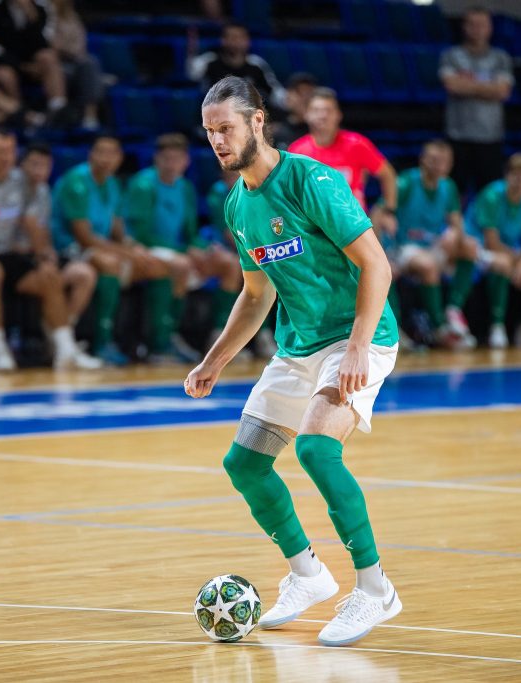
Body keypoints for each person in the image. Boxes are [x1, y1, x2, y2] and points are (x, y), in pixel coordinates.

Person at [186, 76, 402, 646]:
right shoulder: (237, 205)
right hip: (300, 344)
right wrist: (215, 360)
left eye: (225, 128)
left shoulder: (312, 180)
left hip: (360, 334)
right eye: (209, 133)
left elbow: (377, 265)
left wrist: (357, 346)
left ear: (257, 121)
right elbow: (257, 295)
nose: (217, 142)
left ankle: (376, 589)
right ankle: (307, 574)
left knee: (315, 448)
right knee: (245, 465)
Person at [0, 128, 100, 370]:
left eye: (9, 151)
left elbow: (30, 224)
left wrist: (43, 257)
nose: (4, 157)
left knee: (50, 276)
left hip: (8, 253)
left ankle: (65, 349)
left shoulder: (23, 182)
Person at [51, 135, 176, 365]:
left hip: (101, 248)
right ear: (91, 155)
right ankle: (101, 342)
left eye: (113, 153)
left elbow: (118, 231)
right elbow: (84, 238)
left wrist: (135, 249)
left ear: (119, 158)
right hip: (67, 249)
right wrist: (126, 253)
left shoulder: (112, 184)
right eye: (101, 152)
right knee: (110, 263)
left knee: (157, 266)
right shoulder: (76, 182)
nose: (106, 159)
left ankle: (159, 345)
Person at [125, 133, 240, 361]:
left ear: (186, 162)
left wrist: (201, 247)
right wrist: (185, 250)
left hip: (177, 250)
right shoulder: (144, 184)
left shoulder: (185, 187)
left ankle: (221, 338)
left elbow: (191, 233)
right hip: (143, 248)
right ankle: (162, 342)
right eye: (166, 158)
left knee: (229, 264)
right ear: (157, 159)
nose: (171, 164)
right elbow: (142, 235)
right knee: (181, 265)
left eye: (177, 158)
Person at [384, 140, 478, 349]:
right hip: (404, 248)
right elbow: (380, 214)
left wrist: (455, 234)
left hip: (433, 246)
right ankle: (439, 327)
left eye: (443, 161)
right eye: (433, 160)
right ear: (423, 160)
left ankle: (453, 309)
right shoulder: (406, 183)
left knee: (470, 247)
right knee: (428, 265)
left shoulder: (449, 186)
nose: (438, 165)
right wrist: (381, 253)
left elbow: (456, 224)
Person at [465, 153, 521, 348]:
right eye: (517, 176)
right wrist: (520, 261)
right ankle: (496, 327)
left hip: (511, 248)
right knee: (503, 263)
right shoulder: (492, 195)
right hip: (477, 247)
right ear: (507, 176)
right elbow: (492, 242)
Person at [288, 88, 398, 224]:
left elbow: (388, 174)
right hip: (315, 226)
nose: (323, 115)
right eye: (316, 110)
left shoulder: (357, 144)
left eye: (328, 110)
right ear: (307, 115)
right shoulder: (297, 151)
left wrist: (388, 210)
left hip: (354, 223)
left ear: (338, 115)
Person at [20, 143, 98, 330]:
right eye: (34, 164)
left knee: (85, 274)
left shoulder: (44, 191)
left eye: (44, 166)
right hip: (13, 258)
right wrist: (44, 258)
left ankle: (64, 335)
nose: (39, 171)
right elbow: (30, 226)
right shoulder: (13, 190)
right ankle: (59, 337)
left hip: (38, 256)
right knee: (51, 278)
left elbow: (43, 230)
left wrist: (47, 252)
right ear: (21, 165)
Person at [438, 5, 513, 196]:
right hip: (458, 137)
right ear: (464, 27)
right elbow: (452, 86)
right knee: (454, 193)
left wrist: (468, 85)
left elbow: (503, 91)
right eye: (472, 24)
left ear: (490, 28)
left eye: (482, 25)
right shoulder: (451, 56)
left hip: (490, 138)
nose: (477, 29)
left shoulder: (500, 58)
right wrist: (488, 87)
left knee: (490, 195)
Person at [207, 168, 278, 358]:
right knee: (240, 267)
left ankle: (264, 334)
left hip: (250, 249)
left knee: (273, 266)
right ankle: (219, 333)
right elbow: (229, 234)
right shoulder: (219, 193)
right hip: (224, 249)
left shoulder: (259, 191)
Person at [0, 0, 68, 126]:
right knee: (5, 75)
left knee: (48, 57)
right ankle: (23, 118)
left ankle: (58, 110)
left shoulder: (42, 6)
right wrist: (21, 67)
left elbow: (45, 44)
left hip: (34, 63)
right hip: (4, 62)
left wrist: (31, 15)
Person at [187, 22, 287, 112]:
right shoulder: (209, 61)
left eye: (241, 37)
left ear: (248, 41)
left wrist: (288, 100)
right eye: (232, 37)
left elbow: (274, 91)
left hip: (248, 119)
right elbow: (191, 75)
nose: (236, 41)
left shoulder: (256, 64)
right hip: (215, 117)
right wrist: (192, 50)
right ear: (223, 40)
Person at [47, 0, 104, 130]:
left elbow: (80, 44)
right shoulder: (45, 16)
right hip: (54, 65)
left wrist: (67, 50)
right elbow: (49, 44)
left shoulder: (73, 17)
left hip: (75, 61)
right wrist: (66, 49)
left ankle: (90, 116)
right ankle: (59, 112)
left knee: (90, 63)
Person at [272, 72, 317, 150]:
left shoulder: (323, 131)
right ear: (288, 97)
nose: (305, 99)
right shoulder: (275, 131)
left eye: (309, 94)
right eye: (299, 93)